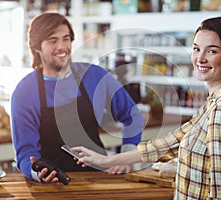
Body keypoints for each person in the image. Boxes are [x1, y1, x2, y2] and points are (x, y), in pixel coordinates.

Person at [72, 17, 221, 199]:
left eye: (212, 51)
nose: (200, 58)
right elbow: (168, 145)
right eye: (196, 49)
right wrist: (105, 160)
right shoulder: (214, 104)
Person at [11, 12, 144, 183]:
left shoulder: (94, 76)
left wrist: (126, 156)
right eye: (53, 40)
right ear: (37, 47)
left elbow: (132, 115)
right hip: (53, 185)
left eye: (66, 39)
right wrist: (37, 173)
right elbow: (25, 153)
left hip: (101, 178)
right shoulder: (24, 92)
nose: (62, 46)